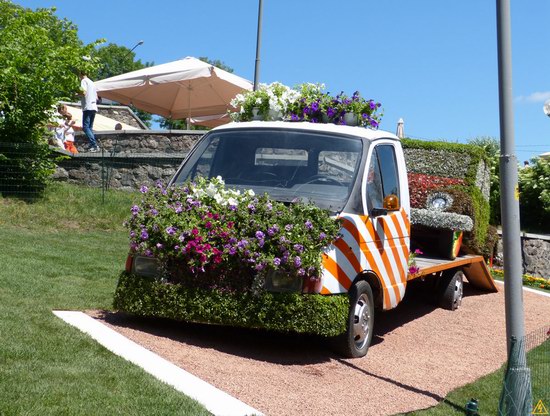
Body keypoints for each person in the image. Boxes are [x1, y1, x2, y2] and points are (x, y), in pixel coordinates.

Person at [78, 71, 100, 152]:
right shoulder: (92, 82)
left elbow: (83, 92)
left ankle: (94, 145)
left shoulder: (83, 81)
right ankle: (93, 145)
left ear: (80, 74)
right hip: (94, 107)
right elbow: (97, 97)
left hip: (87, 107)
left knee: (85, 127)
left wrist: (76, 94)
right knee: (90, 127)